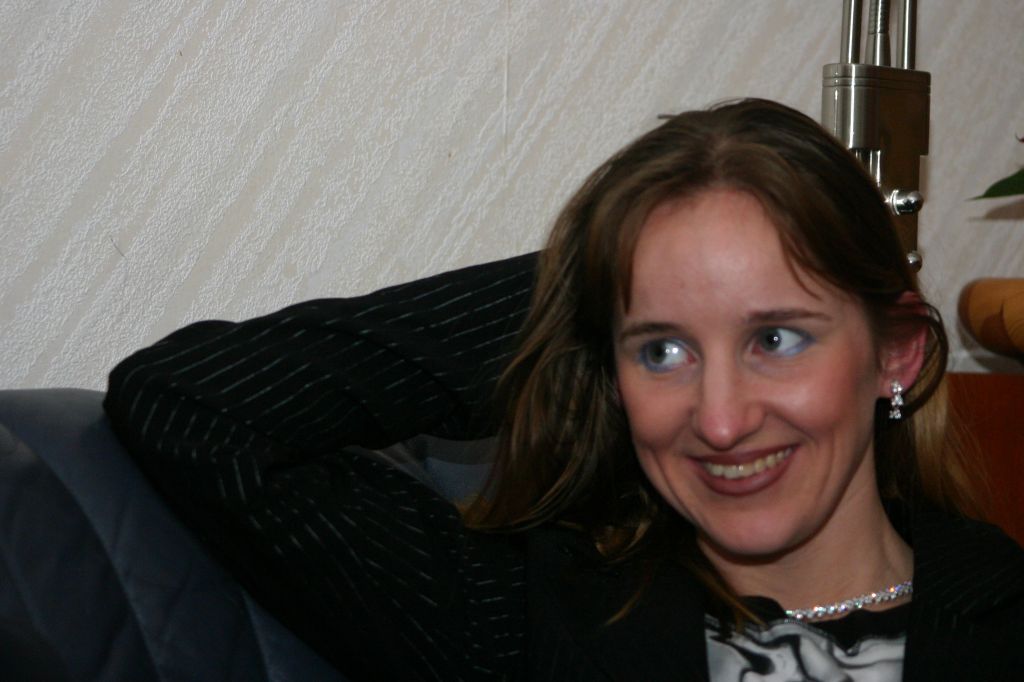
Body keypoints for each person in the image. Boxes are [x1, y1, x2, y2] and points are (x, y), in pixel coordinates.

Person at [105, 99, 1024, 681]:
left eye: (775, 339)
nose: (719, 420)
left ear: (897, 354)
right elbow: (193, 408)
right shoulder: (522, 620)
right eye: (662, 351)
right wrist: (592, 282)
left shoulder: (1002, 619)